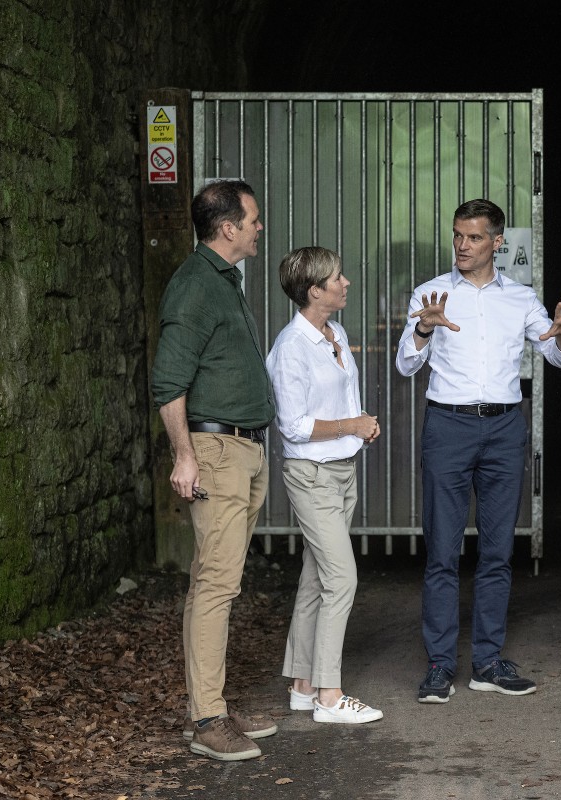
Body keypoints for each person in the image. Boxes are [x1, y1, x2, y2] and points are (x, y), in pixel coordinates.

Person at [395, 199, 561, 703]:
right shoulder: (430, 294)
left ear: (497, 243)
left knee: (498, 552)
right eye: (458, 236)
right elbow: (405, 366)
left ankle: (486, 662)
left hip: (504, 428)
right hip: (448, 426)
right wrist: (422, 329)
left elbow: (558, 357)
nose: (462, 246)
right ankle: (439, 665)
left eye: (474, 237)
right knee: (442, 550)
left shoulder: (521, 298)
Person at [152, 179, 278, 761]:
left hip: (242, 451)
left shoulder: (223, 280)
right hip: (217, 454)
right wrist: (184, 455)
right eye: (252, 219)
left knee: (218, 582)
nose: (258, 227)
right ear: (228, 227)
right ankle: (206, 720)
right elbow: (168, 384)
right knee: (216, 586)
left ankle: (215, 705)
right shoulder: (195, 288)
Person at [266, 246, 385, 725]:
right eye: (337, 278)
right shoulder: (291, 348)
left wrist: (361, 426)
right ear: (315, 291)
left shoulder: (334, 332)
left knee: (317, 578)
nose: (346, 283)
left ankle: (300, 685)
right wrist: (351, 425)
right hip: (311, 476)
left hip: (341, 472)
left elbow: (343, 402)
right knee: (342, 579)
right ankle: (329, 697)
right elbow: (293, 425)